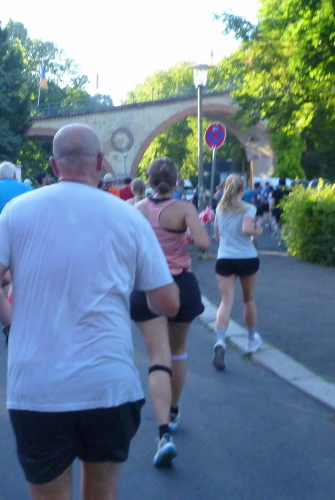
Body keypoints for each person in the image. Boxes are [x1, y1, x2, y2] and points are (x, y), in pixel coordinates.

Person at [0, 123, 179, 499]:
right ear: (100, 162)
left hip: (38, 388)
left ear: (54, 166)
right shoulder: (129, 217)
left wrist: (13, 319)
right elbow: (167, 302)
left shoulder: (17, 212)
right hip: (108, 386)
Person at [130, 157, 210, 466]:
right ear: (176, 181)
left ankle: (163, 432)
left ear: (149, 181)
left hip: (147, 286)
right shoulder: (184, 209)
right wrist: (186, 235)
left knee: (157, 358)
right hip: (179, 284)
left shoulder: (137, 209)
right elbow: (203, 244)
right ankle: (174, 412)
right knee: (177, 352)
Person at [213, 174, 264, 371]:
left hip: (225, 258)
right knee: (248, 299)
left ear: (226, 188)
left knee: (225, 302)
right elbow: (247, 229)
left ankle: (220, 341)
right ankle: (251, 339)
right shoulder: (248, 208)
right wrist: (258, 229)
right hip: (246, 257)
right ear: (242, 190)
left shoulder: (220, 209)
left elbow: (217, 237)